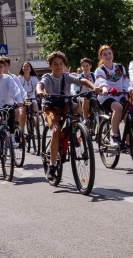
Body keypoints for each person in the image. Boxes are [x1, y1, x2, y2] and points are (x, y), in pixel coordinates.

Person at [36, 51, 99, 181]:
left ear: (64, 65)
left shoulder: (67, 76)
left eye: (61, 64)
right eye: (55, 64)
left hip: (65, 104)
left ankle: (73, 131)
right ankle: (52, 165)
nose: (58, 66)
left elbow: (81, 80)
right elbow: (40, 85)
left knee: (77, 108)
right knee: (56, 131)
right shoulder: (48, 77)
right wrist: (40, 92)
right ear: (50, 66)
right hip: (51, 107)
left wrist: (94, 87)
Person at [93, 45, 130, 149]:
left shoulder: (120, 67)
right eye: (105, 54)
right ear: (101, 57)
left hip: (120, 95)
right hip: (106, 97)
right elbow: (101, 80)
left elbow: (125, 81)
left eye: (109, 53)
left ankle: (128, 142)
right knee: (118, 108)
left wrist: (127, 90)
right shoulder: (100, 70)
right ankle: (114, 136)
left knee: (128, 114)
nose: (108, 56)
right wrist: (104, 88)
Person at [17, 61, 39, 133]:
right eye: (24, 66)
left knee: (36, 113)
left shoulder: (34, 78)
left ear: (30, 69)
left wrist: (39, 93)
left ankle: (36, 129)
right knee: (22, 114)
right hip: (23, 99)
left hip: (32, 98)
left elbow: (38, 86)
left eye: (27, 66)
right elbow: (17, 89)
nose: (26, 67)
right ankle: (22, 132)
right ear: (22, 68)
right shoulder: (19, 78)